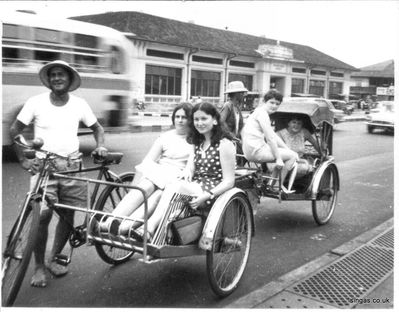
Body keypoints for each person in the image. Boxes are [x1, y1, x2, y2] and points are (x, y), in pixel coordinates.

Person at [9, 60, 108, 287]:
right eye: (52, 75)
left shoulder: (80, 104)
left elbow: (97, 128)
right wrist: (24, 159)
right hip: (44, 166)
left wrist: (100, 145)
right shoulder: (36, 102)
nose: (56, 78)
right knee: (41, 216)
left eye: (61, 74)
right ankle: (38, 267)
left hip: (72, 165)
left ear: (69, 79)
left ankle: (54, 258)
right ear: (49, 79)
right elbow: (14, 130)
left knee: (67, 214)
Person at [131, 102, 236, 242]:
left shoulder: (224, 145)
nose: (199, 123)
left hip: (212, 191)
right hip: (195, 186)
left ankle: (149, 228)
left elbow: (229, 181)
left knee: (174, 186)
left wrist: (207, 195)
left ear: (215, 120)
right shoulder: (197, 142)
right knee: (161, 193)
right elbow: (191, 167)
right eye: (197, 120)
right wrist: (187, 171)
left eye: (204, 119)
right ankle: (129, 226)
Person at [101, 103, 193, 235]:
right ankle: (110, 221)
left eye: (184, 117)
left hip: (177, 178)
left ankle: (123, 227)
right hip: (160, 173)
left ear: (190, 119)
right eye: (177, 116)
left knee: (156, 197)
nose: (180, 120)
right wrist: (135, 184)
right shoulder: (166, 136)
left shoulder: (194, 140)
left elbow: (192, 165)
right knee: (145, 187)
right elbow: (148, 161)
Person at [241, 89, 298, 193]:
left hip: (250, 150)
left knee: (288, 153)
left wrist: (287, 149)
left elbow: (273, 135)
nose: (274, 106)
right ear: (264, 102)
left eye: (277, 104)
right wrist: (279, 158)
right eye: (271, 102)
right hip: (256, 152)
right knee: (292, 156)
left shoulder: (257, 111)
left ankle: (271, 185)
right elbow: (270, 139)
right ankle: (277, 187)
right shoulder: (262, 114)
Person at [276, 115, 323, 189]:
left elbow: (315, 143)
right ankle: (283, 183)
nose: (296, 125)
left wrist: (323, 154)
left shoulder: (304, 132)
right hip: (282, 160)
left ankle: (289, 182)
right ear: (288, 123)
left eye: (299, 123)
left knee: (304, 168)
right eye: (293, 122)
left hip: (299, 161)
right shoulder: (279, 134)